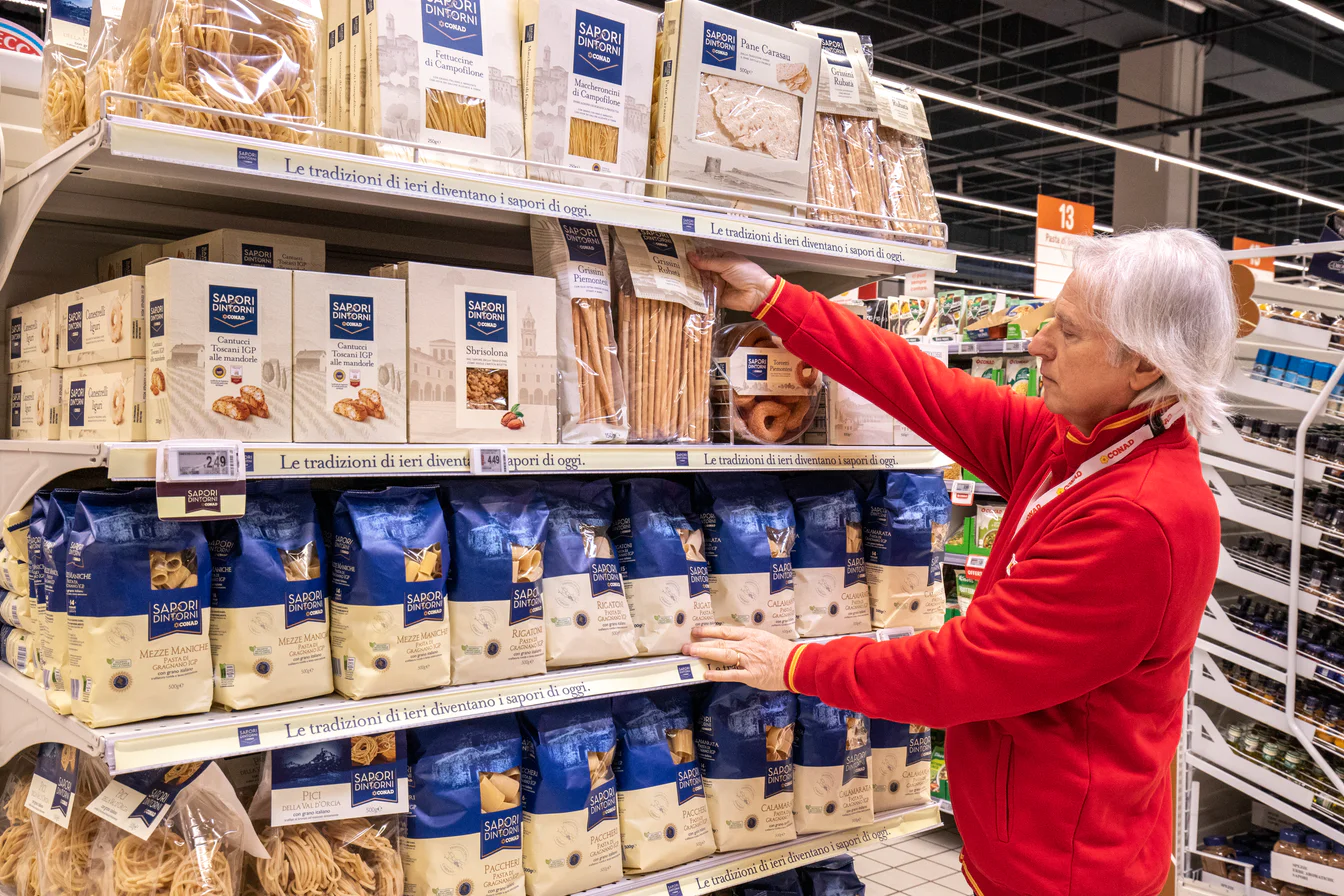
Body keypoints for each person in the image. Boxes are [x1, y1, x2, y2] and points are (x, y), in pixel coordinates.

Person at [683, 229, 1237, 896]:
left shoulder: (1139, 517)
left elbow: (966, 669)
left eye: (1069, 332)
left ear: (1144, 364)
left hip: (1067, 872)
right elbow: (927, 389)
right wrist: (777, 301)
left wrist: (796, 665)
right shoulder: (1076, 445)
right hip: (1033, 842)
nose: (1039, 345)